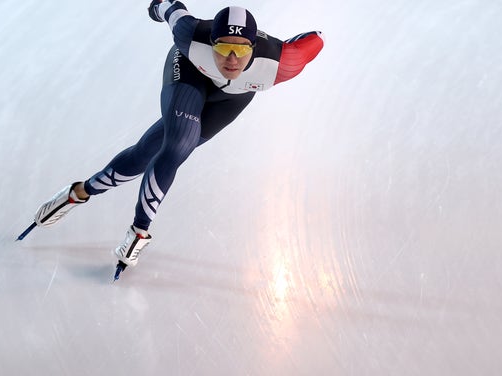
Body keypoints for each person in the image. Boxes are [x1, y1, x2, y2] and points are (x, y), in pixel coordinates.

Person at [29, 0, 324, 272]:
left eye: (242, 50)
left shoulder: (282, 62)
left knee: (145, 153)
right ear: (210, 43)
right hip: (188, 72)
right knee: (177, 146)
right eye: (222, 49)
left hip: (231, 99)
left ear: (254, 48)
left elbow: (314, 40)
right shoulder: (191, 35)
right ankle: (139, 231)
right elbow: (170, 8)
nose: (232, 59)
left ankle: (78, 193)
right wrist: (156, 7)